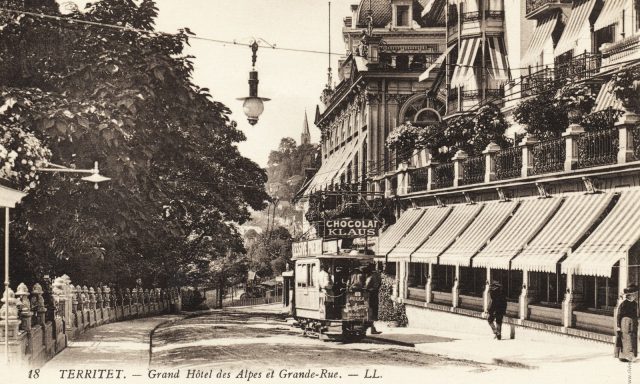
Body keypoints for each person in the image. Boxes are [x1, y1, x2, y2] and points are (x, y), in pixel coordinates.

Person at [616, 284, 638, 362]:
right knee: (626, 338)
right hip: (625, 322)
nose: (633, 296)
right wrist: (618, 325)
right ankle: (624, 356)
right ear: (628, 295)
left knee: (633, 337)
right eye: (632, 295)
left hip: (633, 322)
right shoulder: (623, 304)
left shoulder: (635, 304)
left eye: (634, 294)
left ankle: (632, 355)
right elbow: (619, 315)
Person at [365, 265, 382, 334]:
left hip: (370, 296)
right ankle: (372, 328)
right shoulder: (377, 275)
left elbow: (367, 286)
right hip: (374, 295)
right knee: (372, 312)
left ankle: (370, 327)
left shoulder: (372, 276)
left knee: (369, 311)